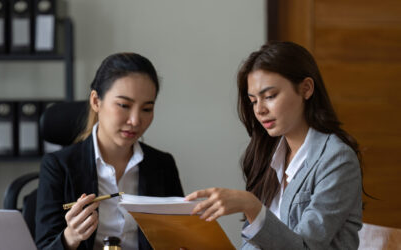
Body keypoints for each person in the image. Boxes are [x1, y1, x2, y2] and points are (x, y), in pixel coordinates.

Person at [185, 41, 363, 249]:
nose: (259, 110)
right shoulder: (266, 155)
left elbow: (305, 247)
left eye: (269, 96)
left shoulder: (337, 159)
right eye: (253, 101)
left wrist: (252, 207)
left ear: (306, 89)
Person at [36, 52, 184, 250]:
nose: (135, 120)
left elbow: (179, 239)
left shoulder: (162, 165)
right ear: (96, 101)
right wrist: (71, 236)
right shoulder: (58, 166)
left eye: (146, 109)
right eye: (124, 105)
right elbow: (45, 246)